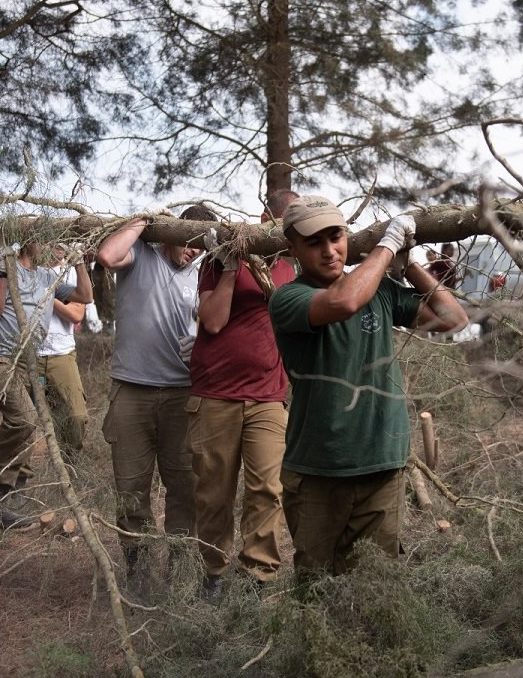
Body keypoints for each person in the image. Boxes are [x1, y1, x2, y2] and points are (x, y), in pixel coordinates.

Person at [268, 196, 468, 577]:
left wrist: (409, 265)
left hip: (381, 465)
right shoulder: (288, 299)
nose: (330, 251)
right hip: (318, 470)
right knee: (315, 583)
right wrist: (388, 243)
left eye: (336, 237)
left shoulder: (380, 290)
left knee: (375, 586)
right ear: (292, 248)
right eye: (315, 242)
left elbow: (454, 319)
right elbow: (344, 302)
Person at [94, 203, 217, 576]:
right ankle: (138, 568)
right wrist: (146, 219)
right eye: (187, 241)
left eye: (201, 246)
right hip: (131, 390)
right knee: (131, 487)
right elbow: (107, 254)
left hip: (183, 394)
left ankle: (179, 567)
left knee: (185, 486)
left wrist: (202, 344)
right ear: (171, 232)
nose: (193, 251)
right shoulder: (140, 254)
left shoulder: (203, 273)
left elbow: (217, 322)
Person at [188, 189, 298, 596]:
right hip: (215, 393)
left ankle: (257, 575)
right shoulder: (219, 260)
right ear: (264, 215)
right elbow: (213, 322)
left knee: (268, 489)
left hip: (269, 396)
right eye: (283, 219)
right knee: (214, 491)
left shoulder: (291, 267)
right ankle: (214, 572)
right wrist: (233, 267)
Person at [0, 240, 93, 528]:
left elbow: (85, 296)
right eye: (45, 239)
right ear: (30, 241)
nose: (51, 245)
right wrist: (7, 274)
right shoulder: (1, 266)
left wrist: (80, 262)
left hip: (28, 361)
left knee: (25, 423)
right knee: (25, 420)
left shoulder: (49, 276)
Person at [37, 243, 93, 451]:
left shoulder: (70, 274)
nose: (60, 246)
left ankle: (70, 462)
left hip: (61, 353)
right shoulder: (31, 271)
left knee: (76, 416)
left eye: (65, 242)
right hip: (30, 354)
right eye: (54, 241)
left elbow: (76, 314)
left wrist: (45, 295)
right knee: (25, 419)